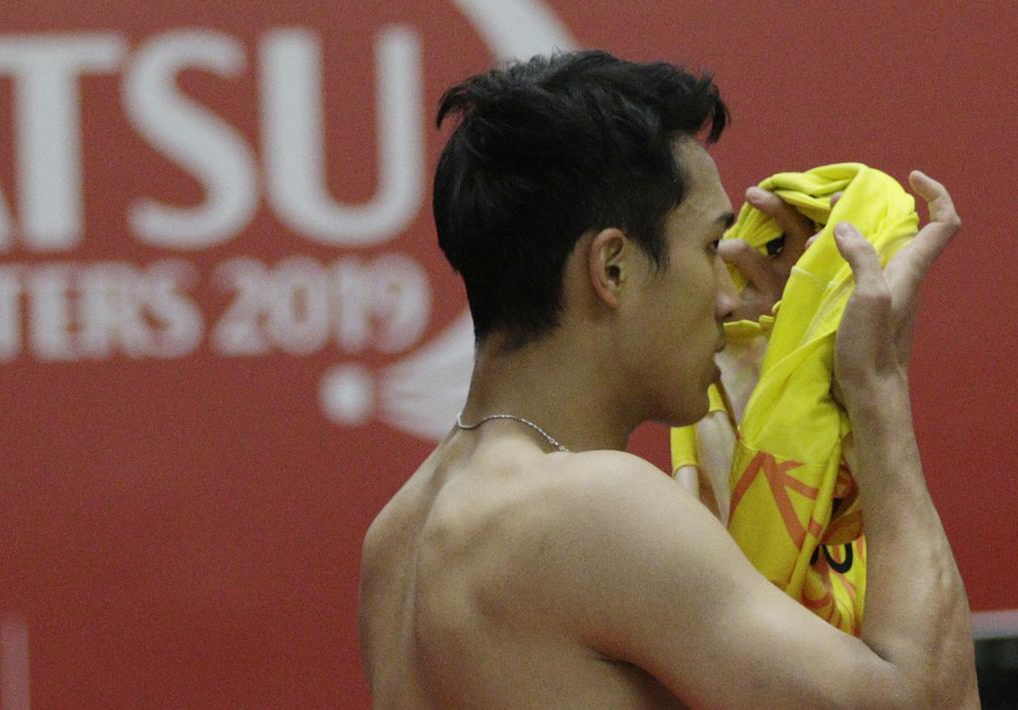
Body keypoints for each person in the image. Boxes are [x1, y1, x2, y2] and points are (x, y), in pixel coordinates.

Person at [357, 50, 978, 709]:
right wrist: (875, 385)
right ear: (613, 268)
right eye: (712, 247)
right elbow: (928, 701)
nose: (725, 294)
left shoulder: (396, 536)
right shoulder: (592, 509)